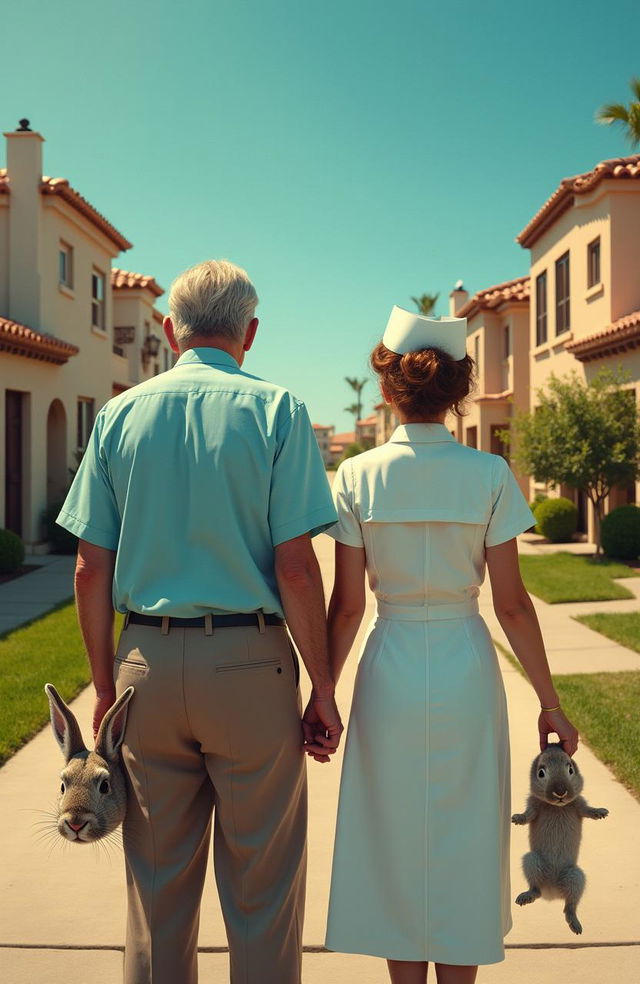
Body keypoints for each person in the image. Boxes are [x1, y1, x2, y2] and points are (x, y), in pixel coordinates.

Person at [56, 259, 343, 984]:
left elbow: (89, 569)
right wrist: (323, 687)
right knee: (264, 889)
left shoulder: (119, 414)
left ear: (166, 328)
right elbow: (297, 568)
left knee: (155, 890)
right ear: (250, 332)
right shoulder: (278, 411)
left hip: (145, 670)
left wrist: (102, 686)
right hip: (251, 668)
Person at [318, 306, 579, 984]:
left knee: (394, 839)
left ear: (387, 387)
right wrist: (549, 704)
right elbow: (513, 605)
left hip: (389, 669)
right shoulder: (489, 475)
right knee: (465, 838)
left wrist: (320, 691)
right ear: (459, 388)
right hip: (467, 667)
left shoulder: (357, 476)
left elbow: (347, 608)